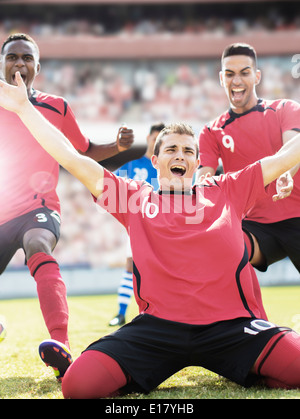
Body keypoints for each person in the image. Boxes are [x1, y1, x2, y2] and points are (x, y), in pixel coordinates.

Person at [1, 75, 300, 398]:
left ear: (198, 163)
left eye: (188, 151)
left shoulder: (228, 188)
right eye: (171, 149)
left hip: (231, 326)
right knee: (79, 386)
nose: (180, 156)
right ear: (155, 161)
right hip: (158, 329)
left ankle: (253, 368)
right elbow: (71, 157)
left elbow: (285, 157)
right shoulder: (133, 198)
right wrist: (23, 108)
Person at [0, 33, 134, 380]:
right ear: (2, 64)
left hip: (38, 206)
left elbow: (82, 152)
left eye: (26, 58)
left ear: (37, 67)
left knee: (38, 245)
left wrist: (116, 146)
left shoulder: (56, 107)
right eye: (12, 57)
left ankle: (60, 346)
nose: (19, 64)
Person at [197, 43, 300, 274]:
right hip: (255, 226)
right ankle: (240, 311)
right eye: (230, 74)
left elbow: (294, 148)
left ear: (257, 76)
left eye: (244, 73)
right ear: (222, 79)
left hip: (297, 214)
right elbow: (204, 180)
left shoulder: (285, 108)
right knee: (219, 244)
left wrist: (286, 174)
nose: (237, 81)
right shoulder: (212, 131)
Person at [109, 122, 165, 327]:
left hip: (165, 225)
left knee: (165, 268)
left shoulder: (167, 167)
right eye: (154, 138)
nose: (156, 142)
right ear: (149, 139)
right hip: (138, 224)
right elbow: (110, 184)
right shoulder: (134, 165)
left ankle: (164, 313)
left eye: (161, 140)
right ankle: (121, 313)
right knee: (131, 265)